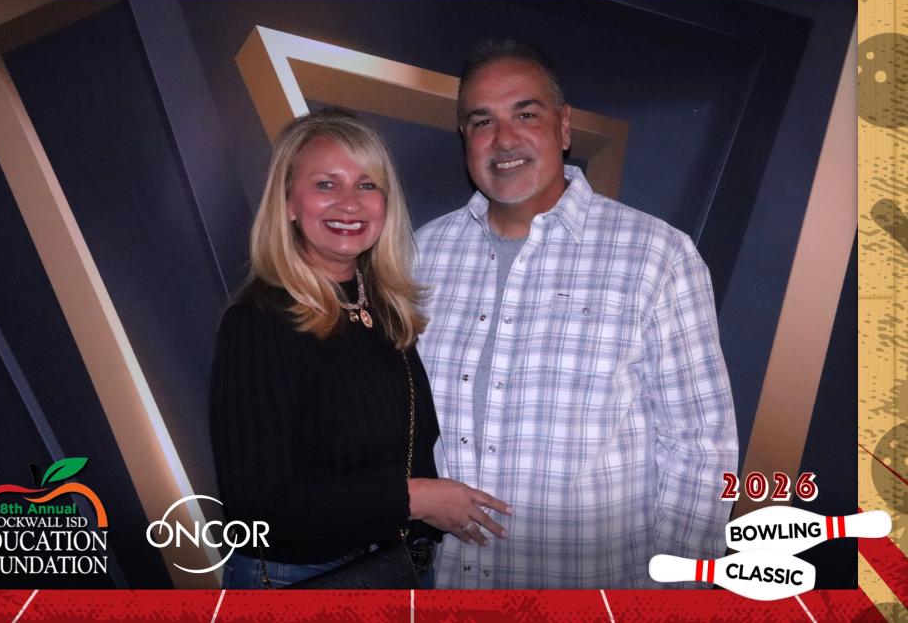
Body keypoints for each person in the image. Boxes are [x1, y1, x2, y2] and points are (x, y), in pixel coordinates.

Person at [414, 40, 739, 589]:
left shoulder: (656, 256)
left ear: (564, 127)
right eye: (482, 121)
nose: (504, 139)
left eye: (526, 114)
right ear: (464, 137)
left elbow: (701, 447)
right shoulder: (419, 255)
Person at [210, 108, 511, 589]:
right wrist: (415, 499)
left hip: (394, 568)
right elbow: (257, 508)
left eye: (367, 184)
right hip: (298, 581)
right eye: (325, 184)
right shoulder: (259, 321)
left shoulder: (383, 310)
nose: (349, 204)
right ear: (288, 203)